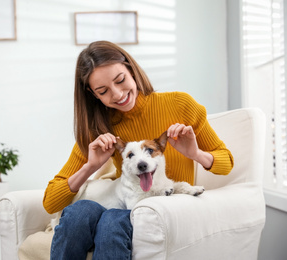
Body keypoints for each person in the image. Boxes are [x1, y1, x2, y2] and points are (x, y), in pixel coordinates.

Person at [21, 40, 234, 260]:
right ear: (93, 94)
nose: (117, 94)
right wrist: (90, 166)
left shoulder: (180, 105)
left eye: (120, 80)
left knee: (112, 221)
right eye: (103, 91)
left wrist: (195, 154)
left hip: (159, 206)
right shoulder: (99, 129)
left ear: (131, 69)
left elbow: (226, 162)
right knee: (78, 212)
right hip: (121, 200)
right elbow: (51, 202)